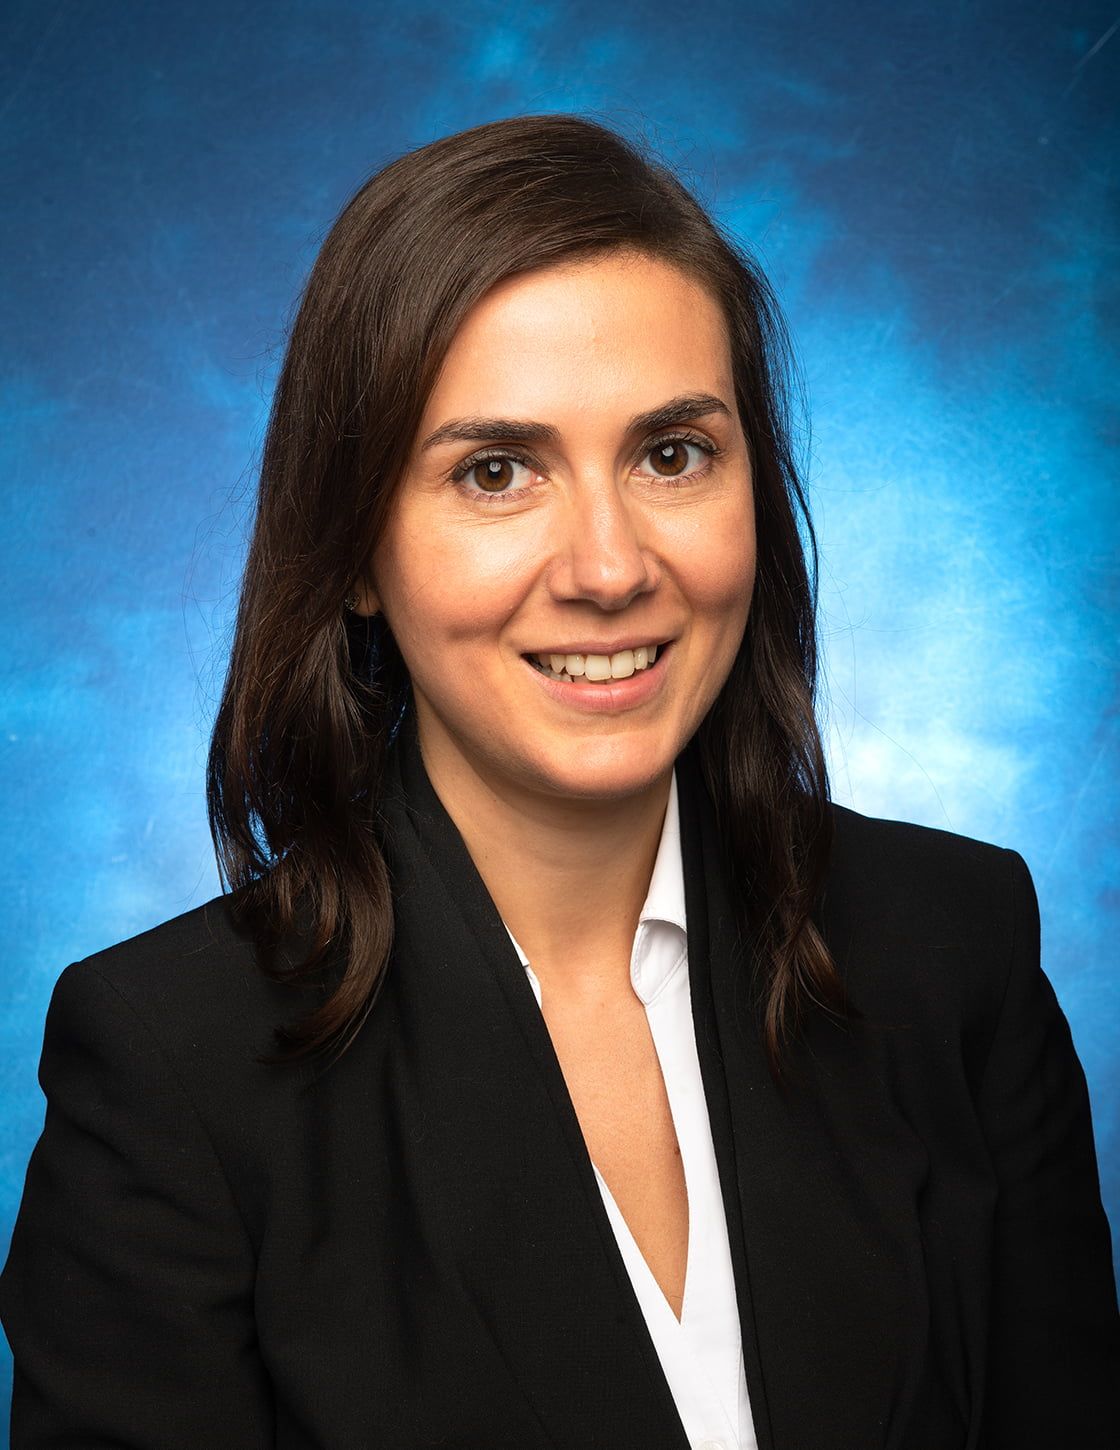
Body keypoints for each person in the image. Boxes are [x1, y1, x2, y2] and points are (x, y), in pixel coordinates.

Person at [1, 113, 1117, 1450]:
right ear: (355, 549)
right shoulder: (169, 1068)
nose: (606, 565)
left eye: (672, 453)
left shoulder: (957, 948)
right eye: (496, 470)